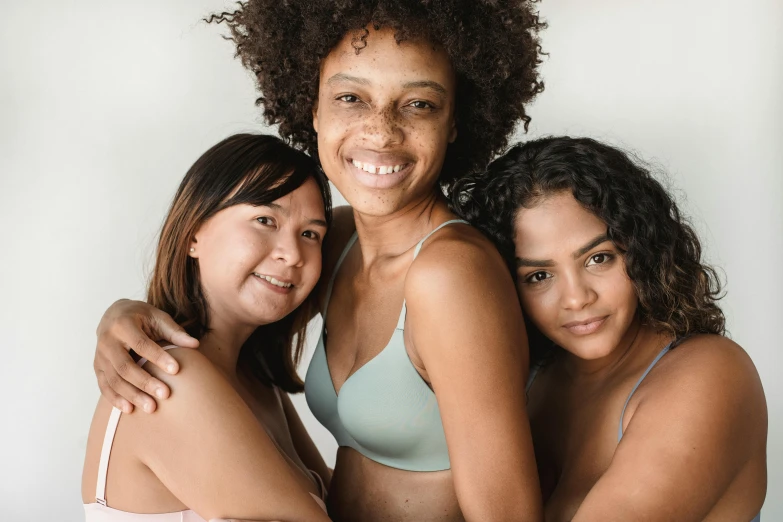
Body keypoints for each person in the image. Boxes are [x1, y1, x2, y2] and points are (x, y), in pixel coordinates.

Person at [91, 1, 547, 520]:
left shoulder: (450, 274)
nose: (381, 132)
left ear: (455, 123)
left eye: (418, 104)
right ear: (313, 109)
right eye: (351, 97)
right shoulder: (333, 241)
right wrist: (122, 316)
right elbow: (234, 298)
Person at [455, 136, 767, 522]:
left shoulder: (709, 374)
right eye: (538, 275)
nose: (576, 298)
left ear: (640, 247)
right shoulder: (528, 376)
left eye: (598, 258)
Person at [82, 134, 334, 521]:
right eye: (265, 220)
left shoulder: (260, 386)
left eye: (310, 234)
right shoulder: (170, 380)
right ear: (193, 234)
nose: (292, 253)